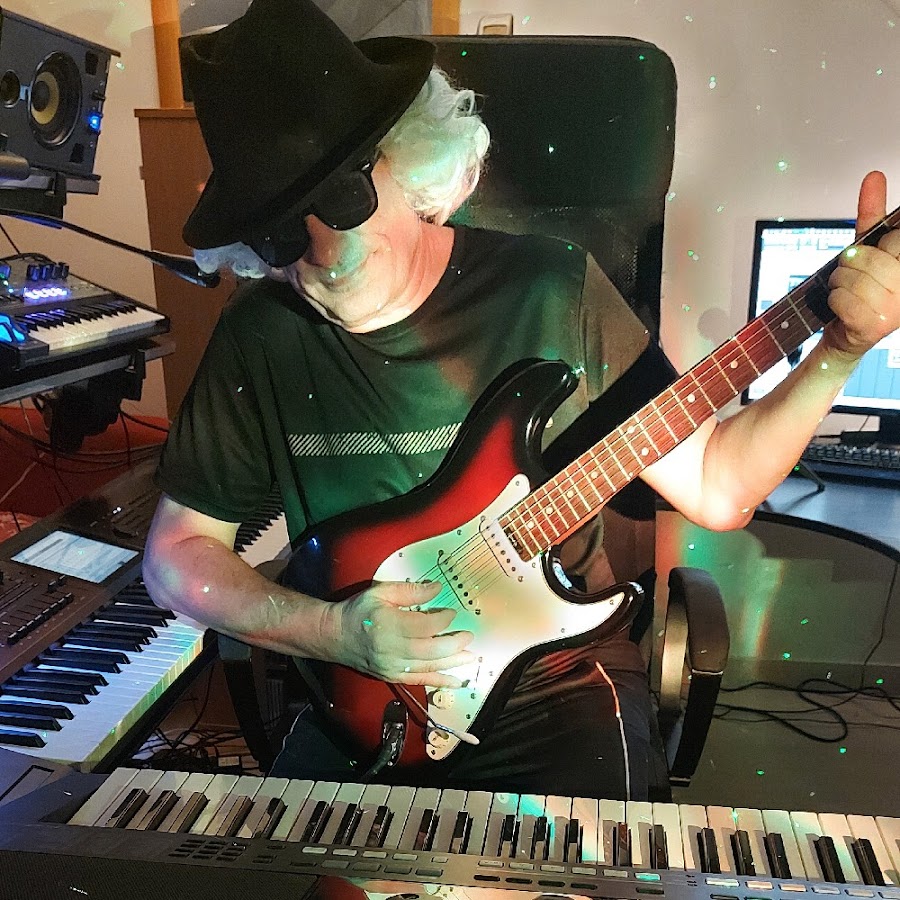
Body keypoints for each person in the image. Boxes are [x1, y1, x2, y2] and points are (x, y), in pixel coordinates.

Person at [143, 0, 900, 802]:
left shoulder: (550, 290)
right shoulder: (260, 334)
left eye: (343, 196)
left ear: (411, 162)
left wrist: (837, 352)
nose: (323, 250)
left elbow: (719, 485)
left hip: (557, 683)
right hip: (360, 692)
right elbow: (174, 558)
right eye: (279, 231)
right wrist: (332, 632)